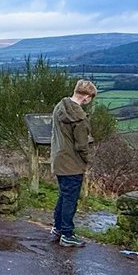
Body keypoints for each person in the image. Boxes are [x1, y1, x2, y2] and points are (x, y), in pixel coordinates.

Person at [49, 79, 98, 246]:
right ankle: (67, 234)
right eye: (91, 98)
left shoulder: (59, 107)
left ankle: (58, 228)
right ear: (87, 97)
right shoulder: (80, 118)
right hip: (73, 163)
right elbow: (81, 146)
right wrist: (88, 161)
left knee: (63, 196)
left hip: (59, 159)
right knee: (70, 199)